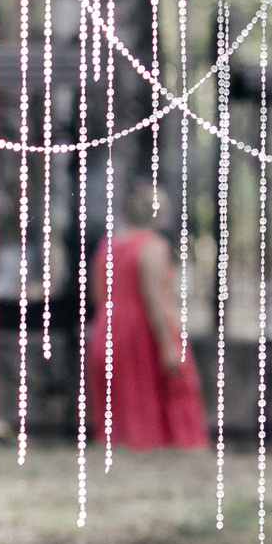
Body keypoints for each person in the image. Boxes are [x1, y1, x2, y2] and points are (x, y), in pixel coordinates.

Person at [87, 180, 207, 450]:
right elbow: (152, 298)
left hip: (108, 326)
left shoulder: (107, 245)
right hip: (142, 328)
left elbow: (98, 296)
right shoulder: (153, 246)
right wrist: (168, 345)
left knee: (124, 394)